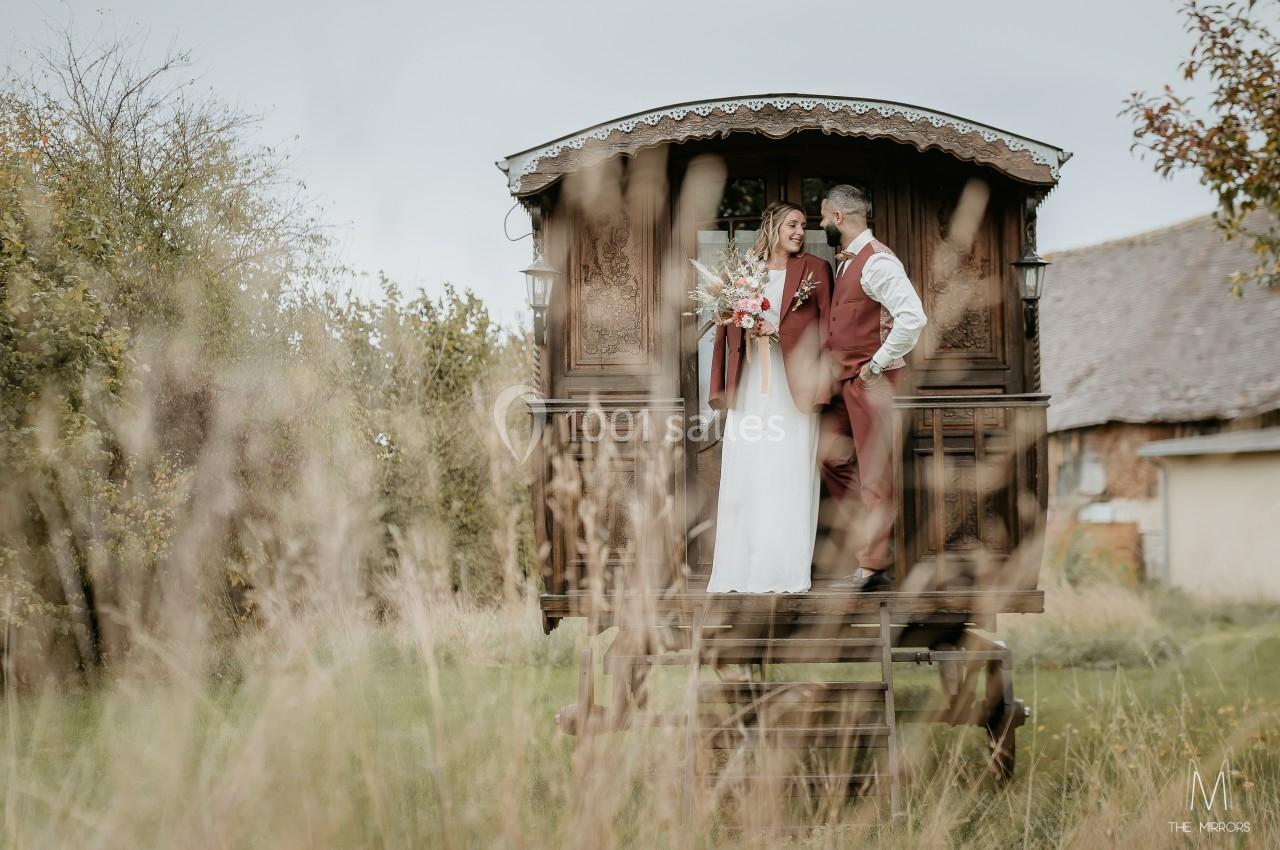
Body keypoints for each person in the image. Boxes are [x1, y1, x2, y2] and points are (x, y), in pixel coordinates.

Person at [706, 201, 834, 593]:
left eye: (804, 226)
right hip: (751, 387)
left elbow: (828, 328)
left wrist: (824, 383)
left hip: (795, 385)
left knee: (791, 468)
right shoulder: (746, 270)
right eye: (792, 224)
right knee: (749, 470)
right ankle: (740, 569)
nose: (799, 231)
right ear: (774, 226)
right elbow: (724, 331)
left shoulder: (816, 269)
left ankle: (784, 569)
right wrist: (721, 382)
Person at [817, 184, 928, 592]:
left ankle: (873, 566)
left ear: (840, 217)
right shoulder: (846, 262)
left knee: (876, 475)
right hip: (845, 384)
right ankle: (863, 540)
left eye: (824, 216)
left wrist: (876, 366)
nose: (822, 223)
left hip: (871, 383)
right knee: (829, 457)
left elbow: (913, 318)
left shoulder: (878, 262)